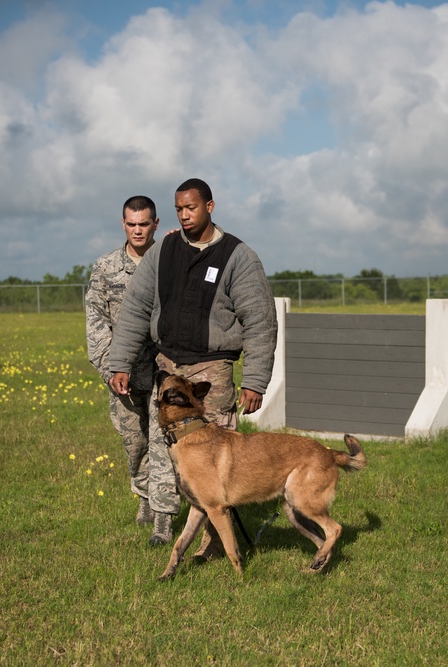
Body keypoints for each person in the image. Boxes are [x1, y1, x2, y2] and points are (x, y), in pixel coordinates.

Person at [108, 178, 278, 550]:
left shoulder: (238, 256)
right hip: (168, 367)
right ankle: (163, 526)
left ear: (210, 207)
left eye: (192, 208)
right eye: (179, 209)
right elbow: (135, 308)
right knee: (163, 448)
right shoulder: (164, 250)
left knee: (214, 459)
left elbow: (260, 322)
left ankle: (215, 541)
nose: (185, 216)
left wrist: (255, 381)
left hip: (212, 372)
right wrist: (119, 361)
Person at [85, 195, 160, 530]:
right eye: (131, 224)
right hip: (124, 377)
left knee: (164, 441)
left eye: (144, 224)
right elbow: (96, 322)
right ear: (123, 224)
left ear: (155, 224)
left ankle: (162, 508)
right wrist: (111, 370)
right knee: (135, 443)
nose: (138, 230)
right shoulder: (106, 267)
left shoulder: (169, 261)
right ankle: (144, 495)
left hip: (163, 373)